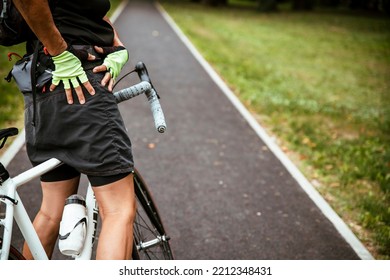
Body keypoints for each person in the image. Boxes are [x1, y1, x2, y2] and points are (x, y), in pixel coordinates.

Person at [12, 0, 136, 259]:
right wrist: (60, 52)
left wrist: (119, 46)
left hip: (43, 87)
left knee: (51, 211)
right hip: (80, 81)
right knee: (118, 210)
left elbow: (84, 12)